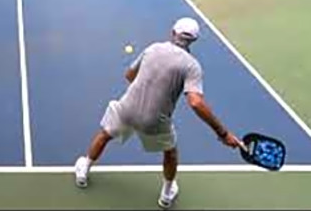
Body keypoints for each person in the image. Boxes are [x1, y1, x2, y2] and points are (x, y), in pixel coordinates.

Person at [73, 17, 244, 209]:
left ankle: (84, 169)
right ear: (194, 40)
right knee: (170, 153)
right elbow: (195, 103)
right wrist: (223, 133)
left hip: (126, 109)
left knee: (105, 134)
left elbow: (129, 76)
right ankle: (166, 194)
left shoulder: (153, 48)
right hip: (154, 121)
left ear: (173, 33)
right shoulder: (192, 66)